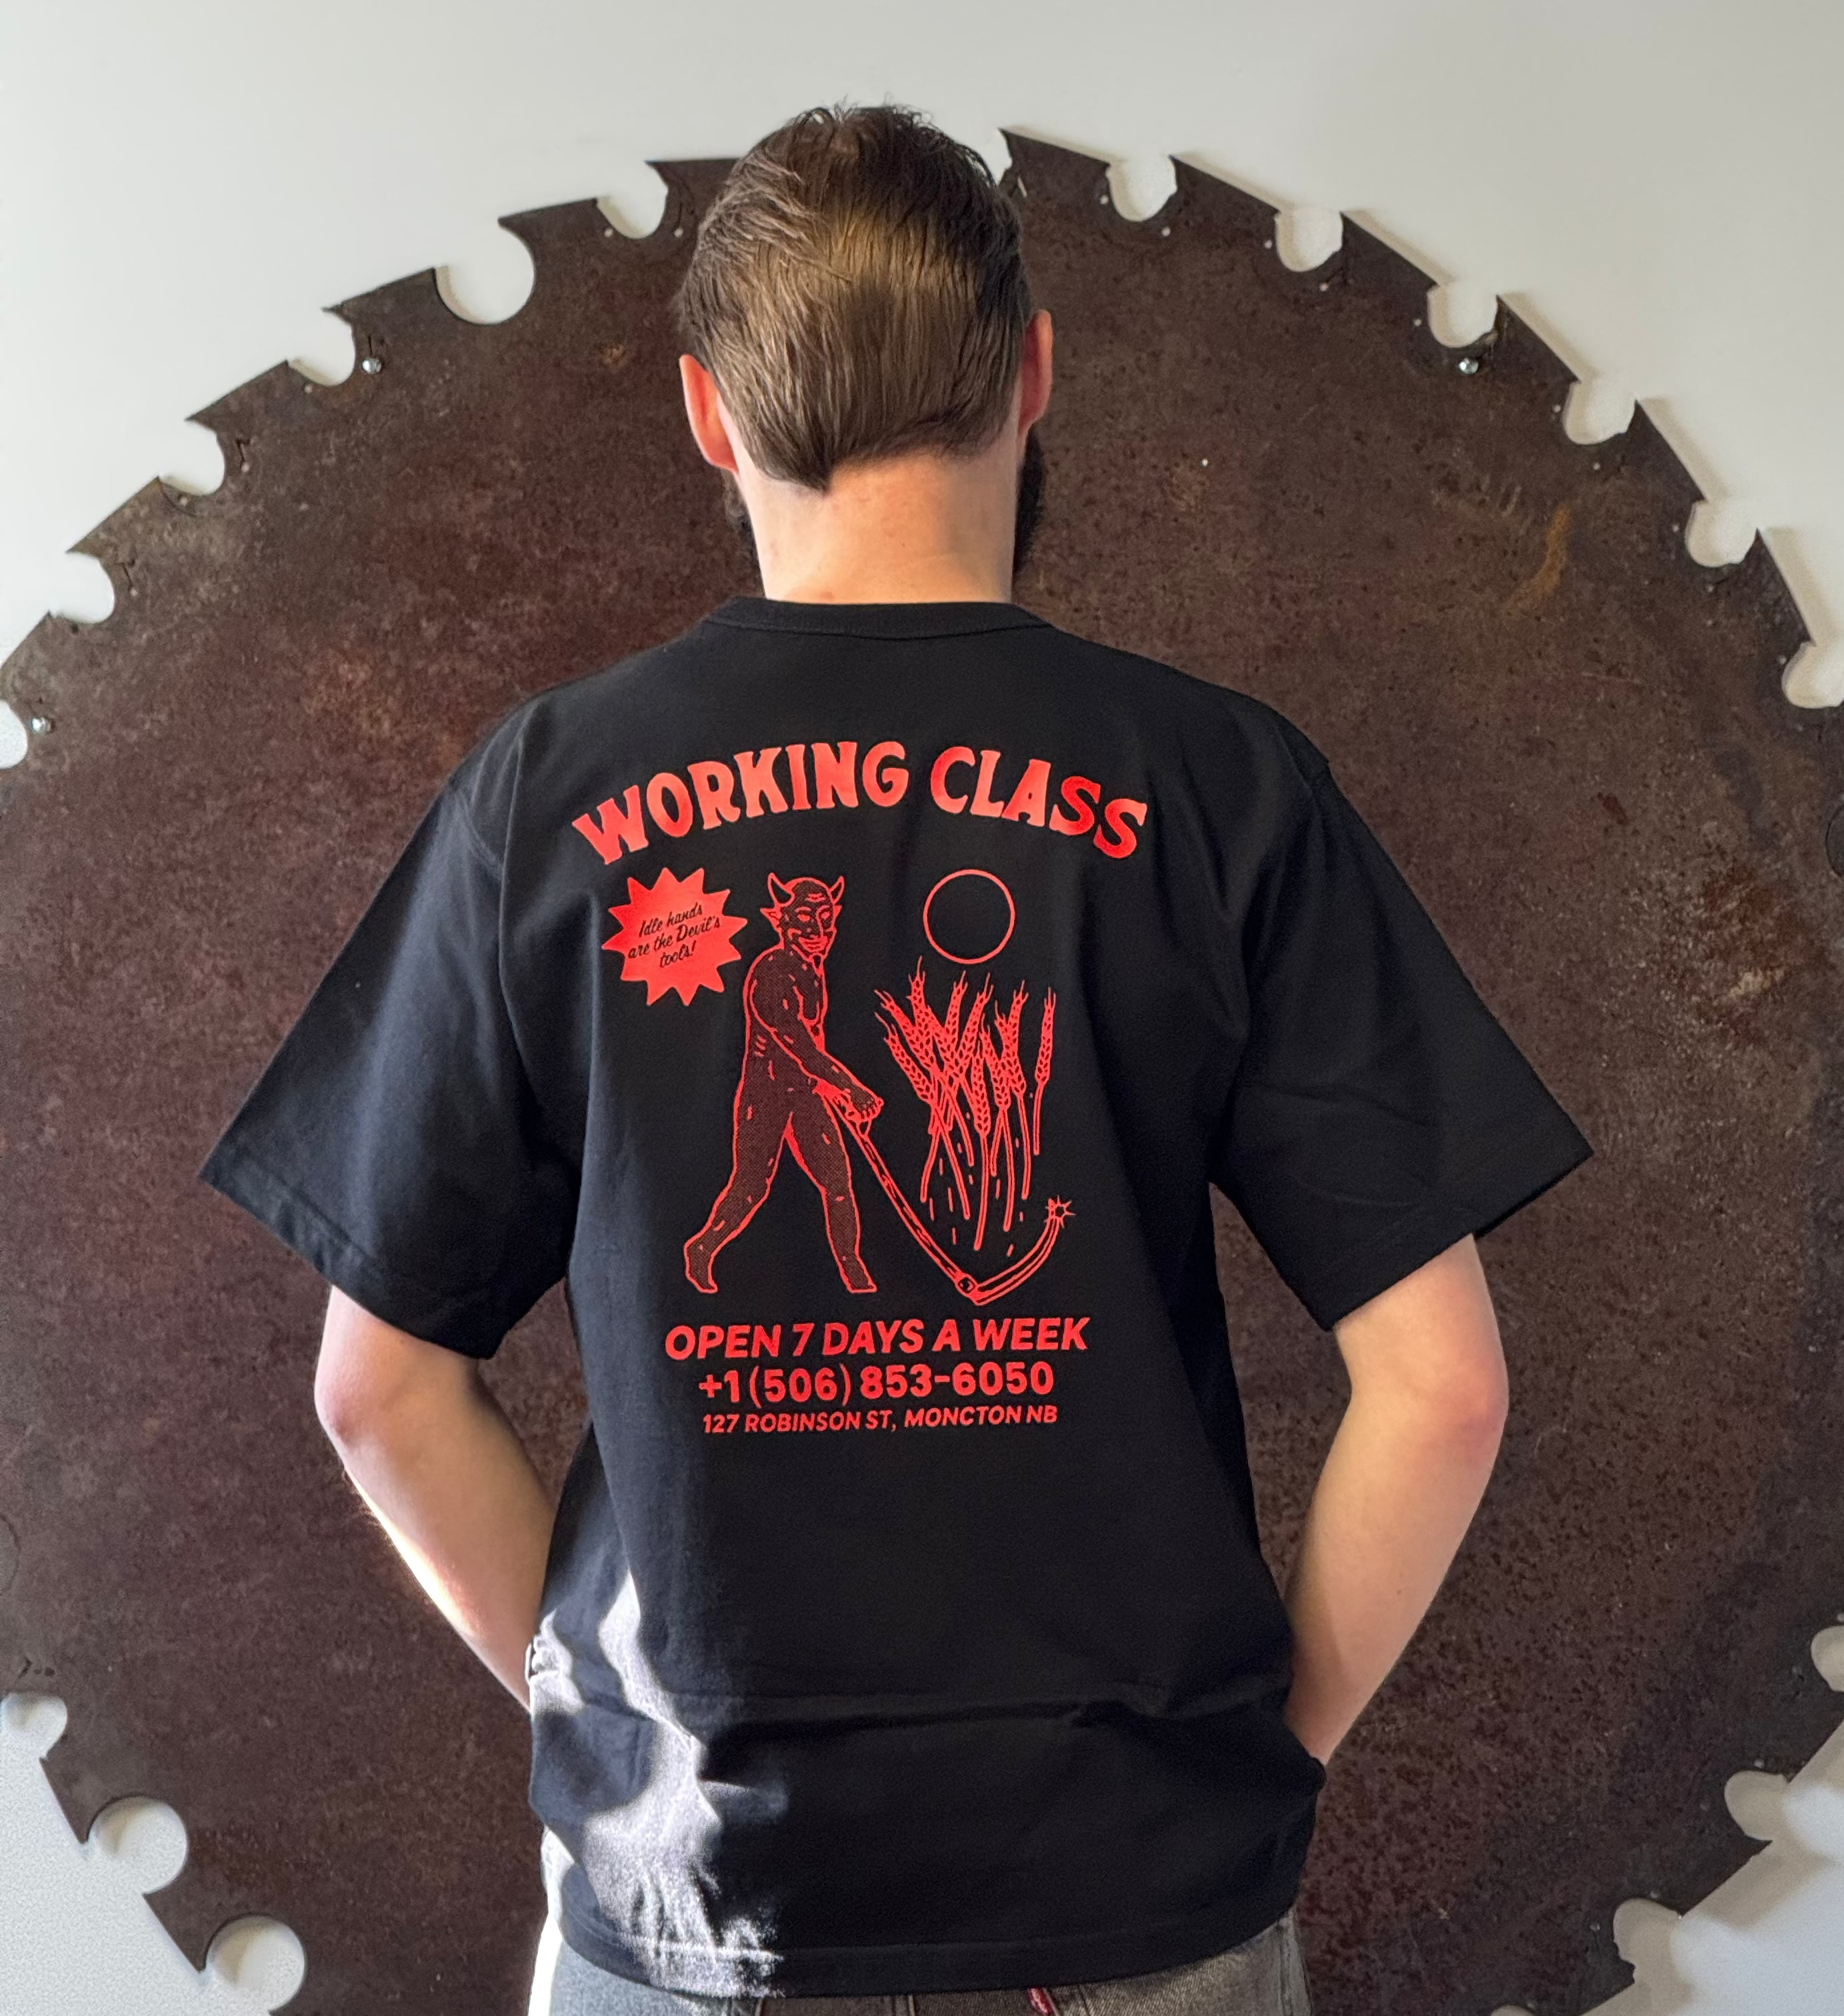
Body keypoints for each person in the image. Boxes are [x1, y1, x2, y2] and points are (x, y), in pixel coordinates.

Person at [199, 101, 1593, 2016]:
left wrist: (635, 1740)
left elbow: (380, 1396)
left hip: (692, 1898)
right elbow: (1440, 1394)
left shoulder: (552, 797)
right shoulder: (1215, 789)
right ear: (1032, 370)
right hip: (1132, 1890)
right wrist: (1244, 1773)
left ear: (707, 412)